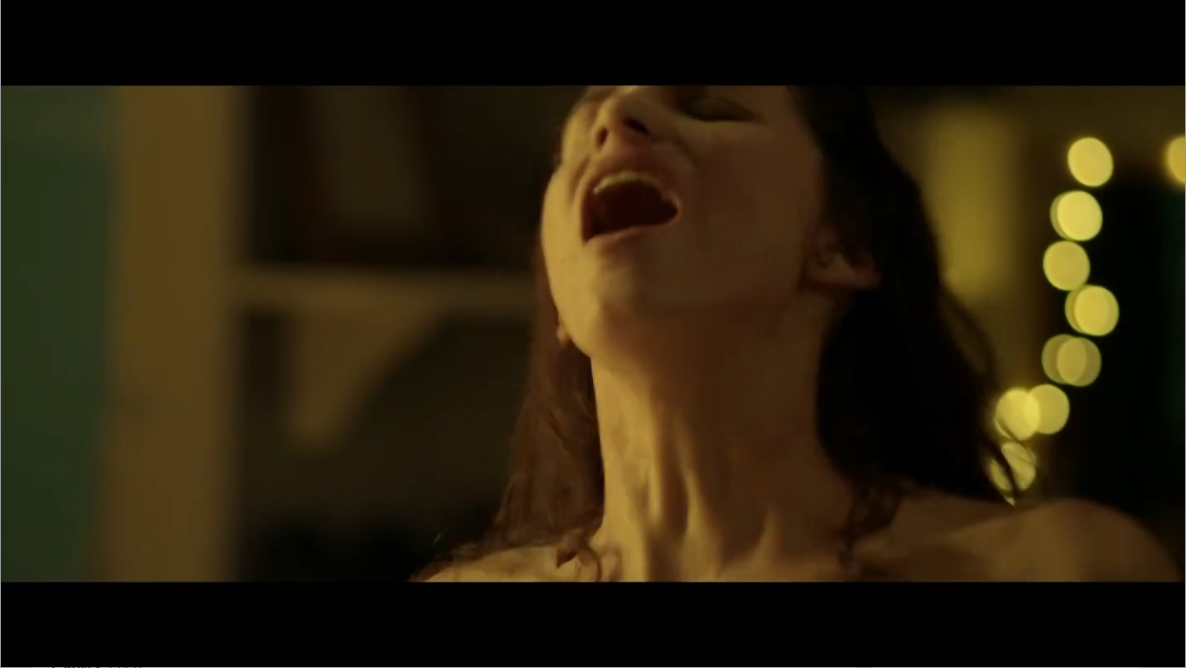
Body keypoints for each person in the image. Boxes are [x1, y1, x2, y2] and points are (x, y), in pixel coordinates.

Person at [423, 86, 1179, 582]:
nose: (616, 118)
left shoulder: (1056, 570)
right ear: (558, 300)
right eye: (577, 135)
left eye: (712, 108)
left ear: (841, 243)